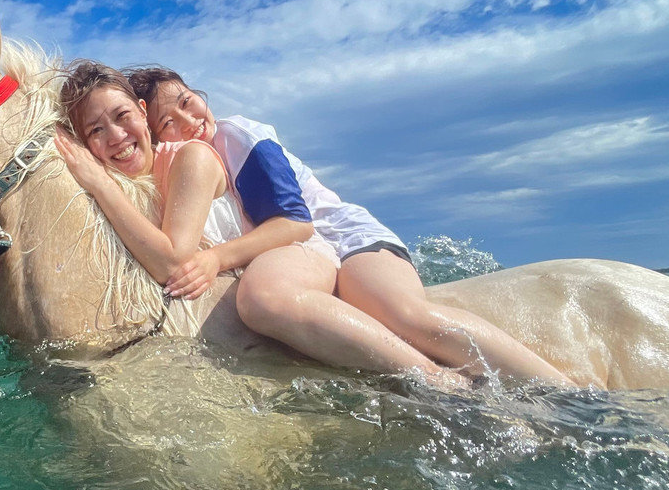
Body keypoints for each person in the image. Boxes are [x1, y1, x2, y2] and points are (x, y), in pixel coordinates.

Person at [125, 66, 576, 387]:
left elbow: (294, 222)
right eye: (170, 122)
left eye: (188, 102)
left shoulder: (236, 136)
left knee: (403, 315)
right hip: (302, 253)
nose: (189, 121)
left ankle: (564, 393)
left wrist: (215, 258)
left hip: (345, 239)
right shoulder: (187, 160)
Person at [55, 60, 471, 386]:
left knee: (267, 298)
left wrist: (98, 184)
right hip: (269, 260)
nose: (115, 135)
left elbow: (173, 260)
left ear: (143, 114)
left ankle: (436, 379)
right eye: (95, 130)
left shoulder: (197, 155)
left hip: (301, 250)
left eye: (122, 115)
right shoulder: (139, 187)